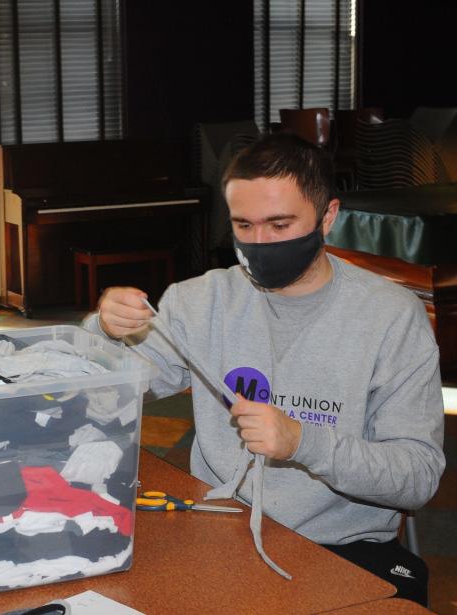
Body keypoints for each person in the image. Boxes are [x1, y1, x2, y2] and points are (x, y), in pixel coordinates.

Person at [84, 133, 444, 605]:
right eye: (244, 225)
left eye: (279, 224)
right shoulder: (199, 301)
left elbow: (416, 478)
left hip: (343, 548)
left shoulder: (391, 317)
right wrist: (103, 330)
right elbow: (100, 396)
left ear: (328, 216)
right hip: (218, 531)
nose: (260, 243)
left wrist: (302, 442)